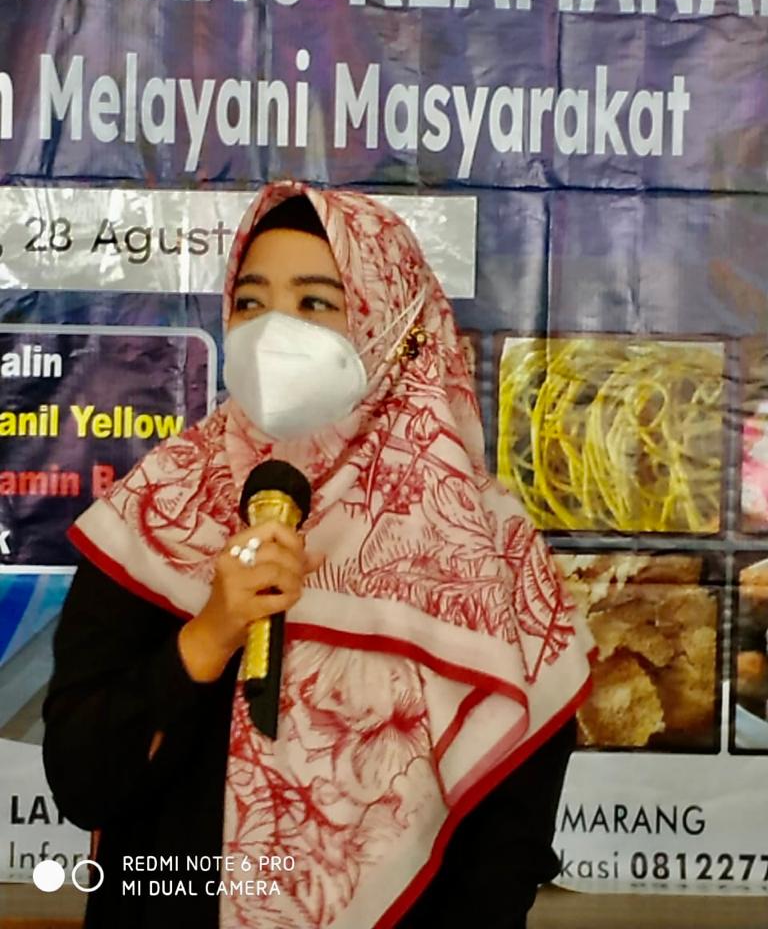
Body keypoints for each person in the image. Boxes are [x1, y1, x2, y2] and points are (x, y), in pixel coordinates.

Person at [42, 182, 593, 929]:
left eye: (314, 303)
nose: (274, 331)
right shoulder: (157, 512)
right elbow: (83, 783)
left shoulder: (486, 550)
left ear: (393, 327)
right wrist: (209, 635)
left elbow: (508, 837)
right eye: (251, 302)